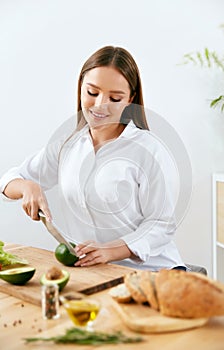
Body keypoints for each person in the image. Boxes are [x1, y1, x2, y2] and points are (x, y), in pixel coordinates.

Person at [0, 46, 185, 270]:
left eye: (114, 98)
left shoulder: (149, 150)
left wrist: (112, 250)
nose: (99, 105)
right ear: (80, 88)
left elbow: (161, 225)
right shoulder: (66, 146)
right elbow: (9, 180)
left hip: (153, 271)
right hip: (95, 272)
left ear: (130, 99)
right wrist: (27, 186)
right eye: (92, 93)